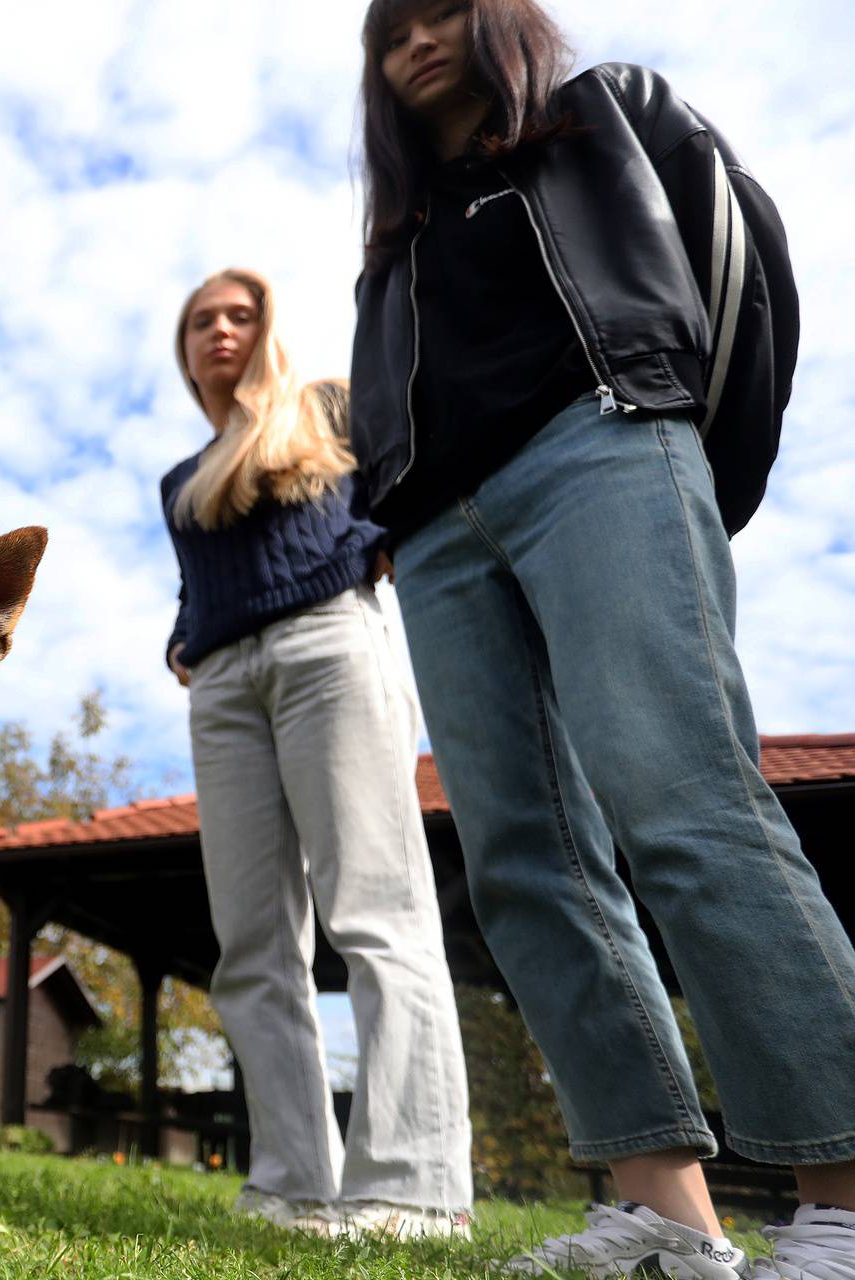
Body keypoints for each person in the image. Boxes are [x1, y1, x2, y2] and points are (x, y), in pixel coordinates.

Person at [350, 2, 855, 1275]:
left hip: (604, 442)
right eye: (389, 26)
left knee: (679, 792)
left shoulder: (607, 111)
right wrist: (397, 523)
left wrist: (687, 453)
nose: (414, 36)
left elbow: (745, 272)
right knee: (523, 856)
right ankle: (666, 1221)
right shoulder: (393, 243)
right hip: (442, 530)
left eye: (439, 8)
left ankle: (845, 1197)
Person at [164, 268, 473, 1238]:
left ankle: (413, 1183)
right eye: (201, 321)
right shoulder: (181, 480)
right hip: (222, 685)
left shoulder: (330, 406)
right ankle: (293, 1182)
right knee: (252, 938)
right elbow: (203, 577)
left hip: (328, 645)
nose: (220, 330)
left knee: (374, 907)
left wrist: (381, 540)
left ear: (269, 329)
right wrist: (185, 635)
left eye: (238, 314)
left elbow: (408, 478)